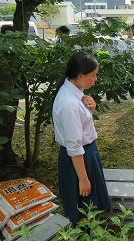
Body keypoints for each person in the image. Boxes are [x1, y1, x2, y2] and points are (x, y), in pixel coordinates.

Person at [52, 51, 110, 224]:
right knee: (83, 209)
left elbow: (80, 127)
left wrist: (90, 109)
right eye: (93, 75)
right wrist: (83, 179)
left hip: (85, 155)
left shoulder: (75, 91)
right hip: (79, 159)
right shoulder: (69, 103)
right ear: (79, 75)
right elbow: (74, 146)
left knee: (88, 206)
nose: (95, 79)